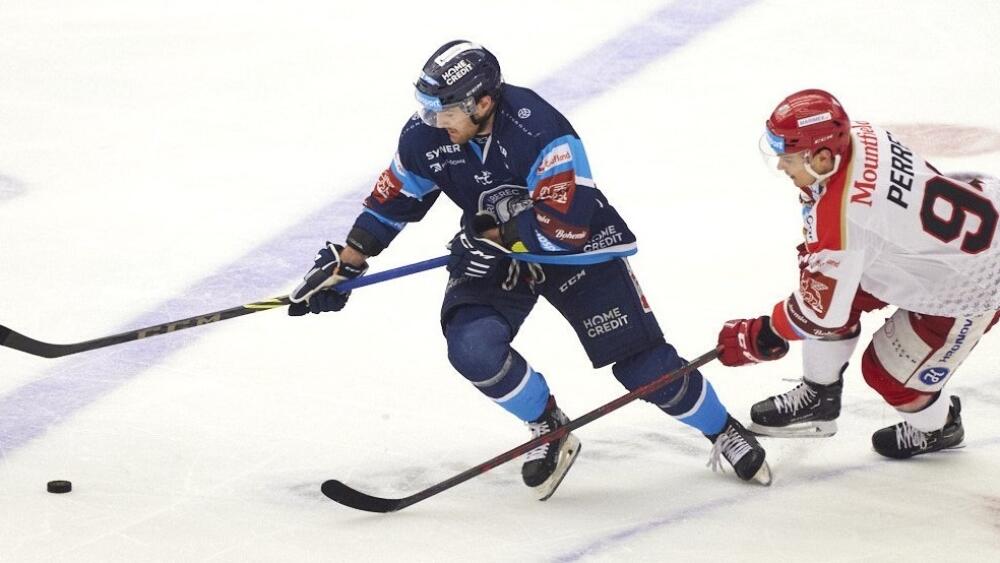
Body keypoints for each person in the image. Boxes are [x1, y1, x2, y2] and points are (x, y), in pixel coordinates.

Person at [288, 40, 770, 498]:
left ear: (482, 102)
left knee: (645, 367)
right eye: (428, 109)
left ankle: (722, 430)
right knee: (472, 347)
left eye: (445, 110)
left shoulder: (539, 129)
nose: (434, 121)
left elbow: (566, 227)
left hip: (573, 251)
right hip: (495, 250)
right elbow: (394, 199)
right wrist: (347, 263)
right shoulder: (425, 136)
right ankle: (548, 424)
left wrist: (489, 240)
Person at [716, 88, 1000, 458]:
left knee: (889, 377)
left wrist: (761, 335)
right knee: (824, 278)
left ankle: (940, 427)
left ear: (821, 157)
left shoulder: (845, 217)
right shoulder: (862, 134)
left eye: (788, 157)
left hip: (974, 282)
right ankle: (819, 395)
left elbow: (821, 313)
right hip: (956, 231)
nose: (782, 166)